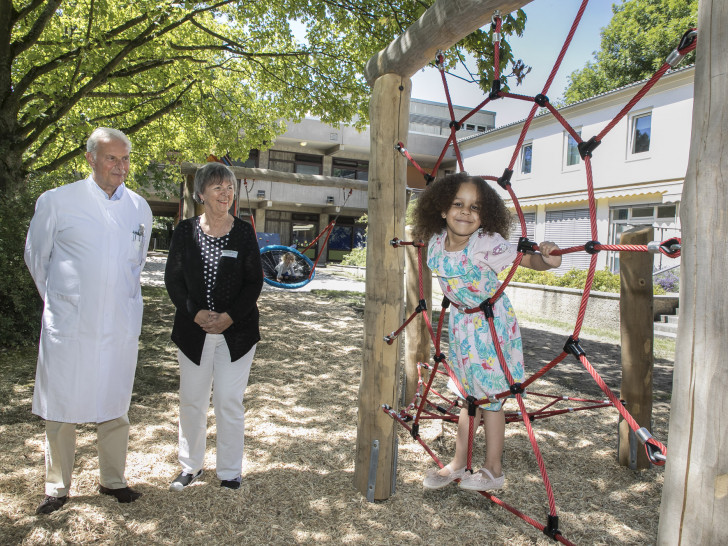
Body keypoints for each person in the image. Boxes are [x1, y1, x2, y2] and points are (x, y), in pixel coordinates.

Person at [24, 127, 153, 514]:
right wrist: (62, 302)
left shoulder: (139, 207)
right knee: (62, 405)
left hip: (118, 323)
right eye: (112, 158)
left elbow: (137, 263)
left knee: (115, 403)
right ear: (91, 159)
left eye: (125, 158)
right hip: (71, 325)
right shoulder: (58, 201)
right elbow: (37, 257)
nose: (120, 165)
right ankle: (57, 487)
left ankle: (113, 480)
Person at [412, 172, 561, 492]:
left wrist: (547, 259)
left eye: (475, 207)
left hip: (491, 326)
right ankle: (459, 462)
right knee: (469, 398)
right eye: (458, 204)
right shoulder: (436, 242)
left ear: (486, 215)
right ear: (441, 209)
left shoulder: (487, 243)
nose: (465, 212)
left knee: (492, 399)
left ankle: (494, 470)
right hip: (463, 327)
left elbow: (529, 260)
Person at [164, 162, 263, 491]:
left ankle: (230, 471)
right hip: (194, 332)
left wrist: (229, 316)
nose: (226, 193)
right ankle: (190, 467)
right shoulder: (185, 231)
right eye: (218, 187)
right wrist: (195, 313)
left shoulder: (244, 232)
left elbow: (254, 283)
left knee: (227, 399)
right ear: (201, 193)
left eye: (230, 187)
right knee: (192, 399)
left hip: (237, 332)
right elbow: (173, 280)